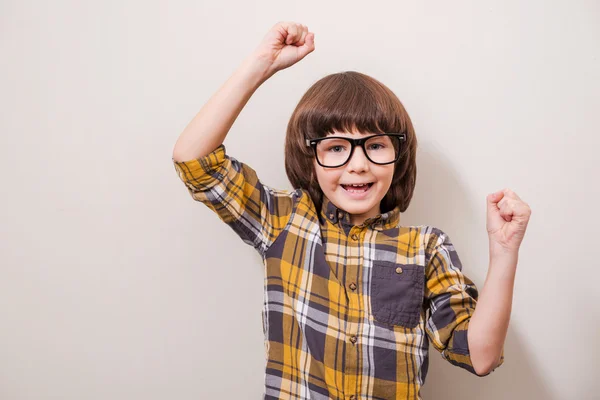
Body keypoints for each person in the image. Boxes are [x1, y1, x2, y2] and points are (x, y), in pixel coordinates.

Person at [171, 21, 532, 400]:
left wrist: (504, 252)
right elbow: (193, 159)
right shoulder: (282, 221)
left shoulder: (426, 247)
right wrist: (261, 65)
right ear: (310, 157)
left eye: (375, 145)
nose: (358, 164)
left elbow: (480, 356)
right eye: (337, 147)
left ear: (399, 155)